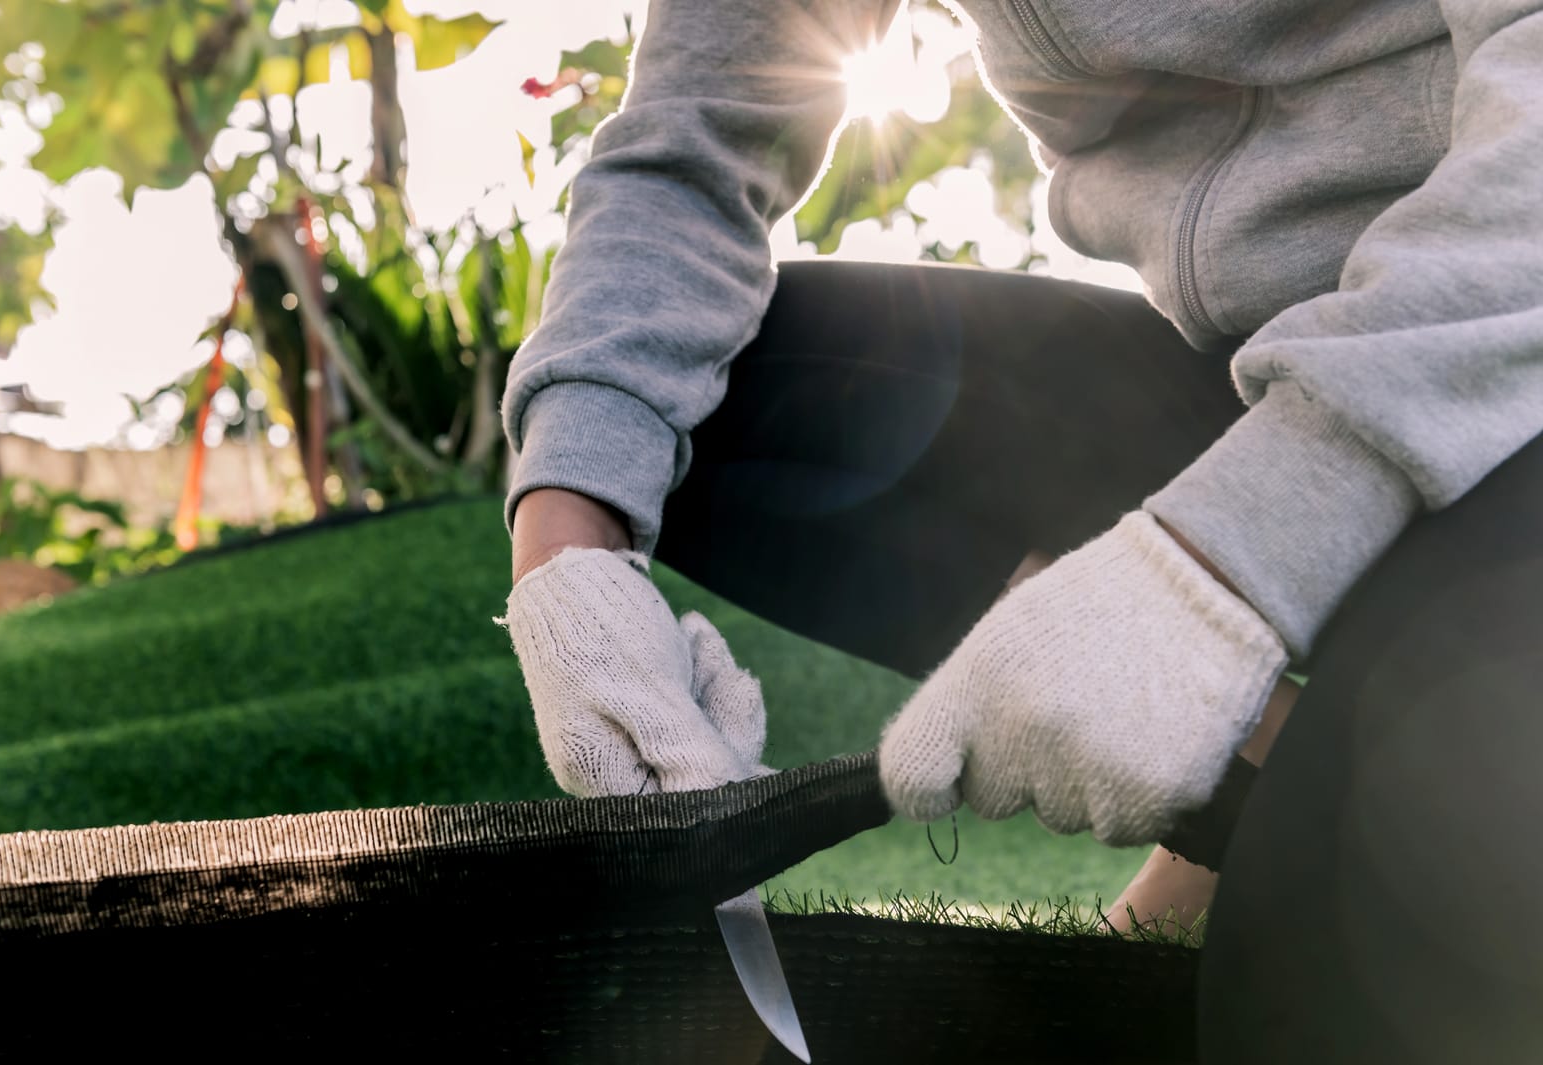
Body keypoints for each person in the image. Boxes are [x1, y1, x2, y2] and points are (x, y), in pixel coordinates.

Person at [499, 2, 1543, 1060]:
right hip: (1247, 371)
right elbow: (691, 141)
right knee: (735, 400)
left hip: (1515, 377)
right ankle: (1269, 786)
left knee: (1331, 1008)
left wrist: (1221, 569)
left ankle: (1370, 800)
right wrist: (566, 558)